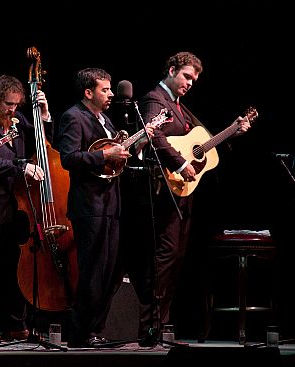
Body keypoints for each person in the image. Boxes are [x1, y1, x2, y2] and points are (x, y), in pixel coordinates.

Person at [135, 51, 251, 346]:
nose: (190, 83)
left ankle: (160, 325)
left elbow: (203, 143)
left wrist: (233, 132)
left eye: (194, 80)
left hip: (181, 191)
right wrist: (180, 163)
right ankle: (151, 328)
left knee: (175, 257)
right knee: (164, 256)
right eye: (187, 76)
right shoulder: (154, 100)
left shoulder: (179, 106)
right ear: (172, 70)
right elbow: (154, 137)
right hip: (162, 189)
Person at [0, 75, 52, 343]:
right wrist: (21, 167)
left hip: (18, 206)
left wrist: (44, 115)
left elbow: (40, 137)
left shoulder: (18, 120)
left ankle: (15, 322)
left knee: (16, 268)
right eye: (7, 104)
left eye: (16, 104)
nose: (13, 109)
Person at [57, 68, 139, 348]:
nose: (111, 94)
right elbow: (68, 158)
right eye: (105, 89)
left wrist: (130, 143)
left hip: (110, 204)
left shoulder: (104, 118)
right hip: (89, 205)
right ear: (88, 92)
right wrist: (106, 153)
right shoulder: (73, 117)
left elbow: (114, 152)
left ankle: (97, 330)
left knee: (112, 272)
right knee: (92, 272)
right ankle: (79, 334)